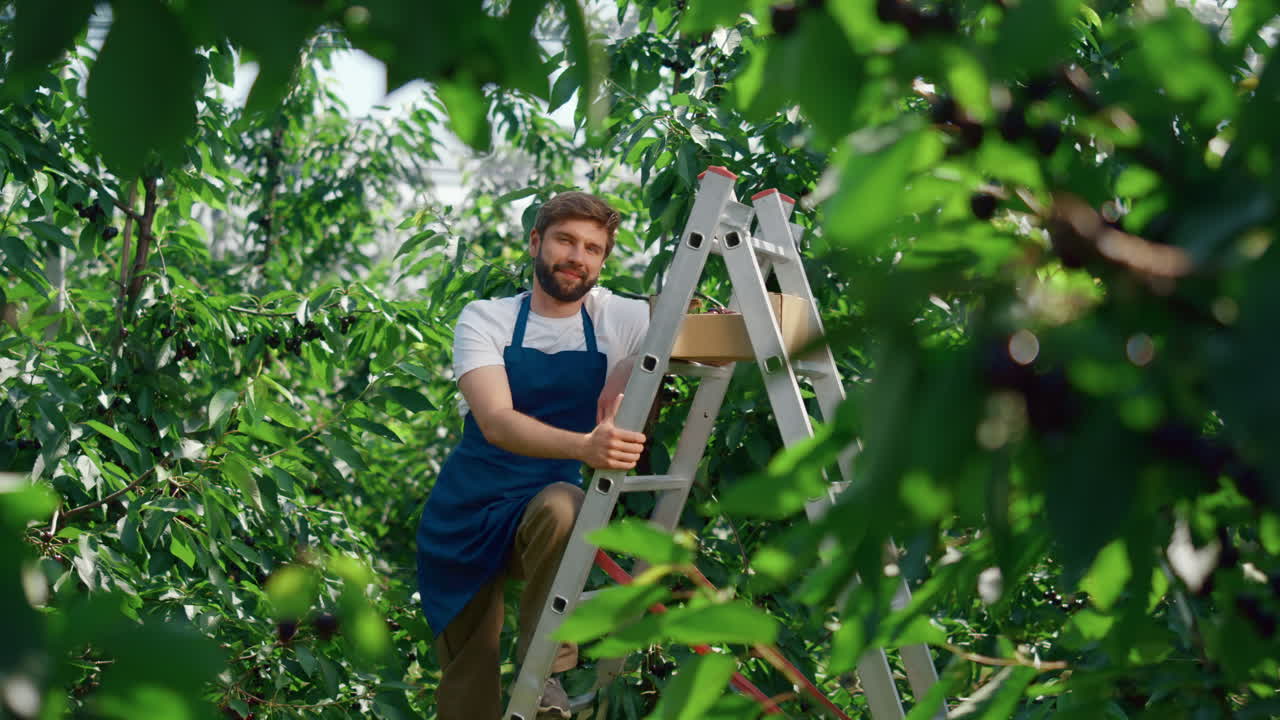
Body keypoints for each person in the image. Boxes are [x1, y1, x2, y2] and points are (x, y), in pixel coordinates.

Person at [416, 191, 651, 720]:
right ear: (535, 242)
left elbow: (687, 325)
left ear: (603, 261)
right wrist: (585, 446)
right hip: (466, 513)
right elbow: (496, 421)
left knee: (566, 504)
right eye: (566, 240)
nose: (577, 256)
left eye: (593, 248)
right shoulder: (487, 319)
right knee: (467, 685)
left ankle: (542, 675)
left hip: (542, 514)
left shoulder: (619, 318)